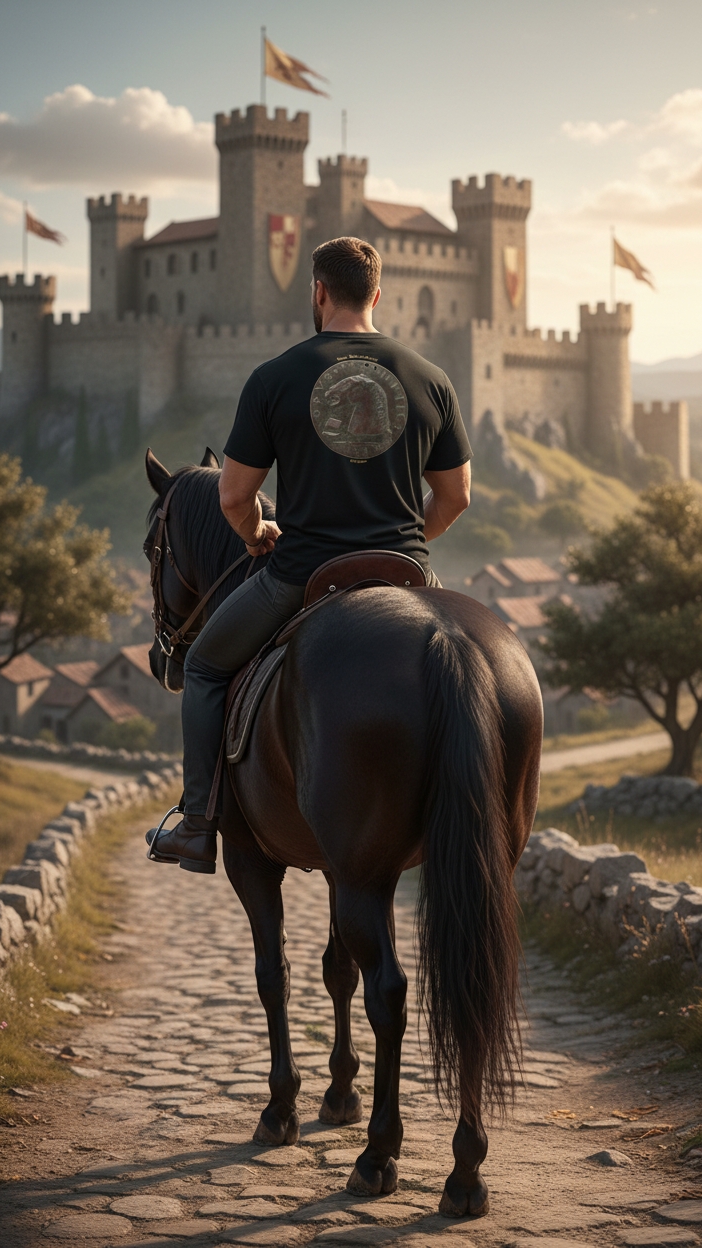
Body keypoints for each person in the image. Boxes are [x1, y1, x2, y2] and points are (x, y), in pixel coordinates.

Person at [147, 236, 472, 872]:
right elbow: (456, 498)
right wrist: (401, 540)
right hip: (409, 572)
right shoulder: (432, 380)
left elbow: (235, 494)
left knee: (209, 667)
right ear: (378, 296)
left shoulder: (274, 377)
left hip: (302, 574)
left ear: (318, 293)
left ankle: (197, 823)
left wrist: (254, 535)